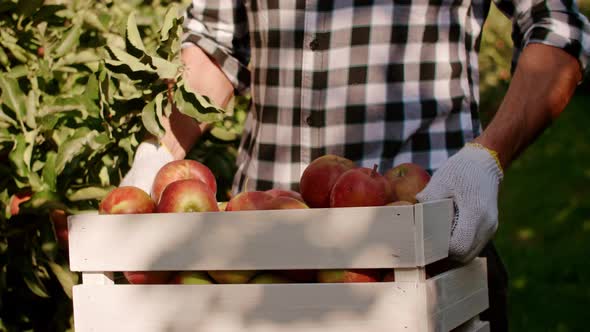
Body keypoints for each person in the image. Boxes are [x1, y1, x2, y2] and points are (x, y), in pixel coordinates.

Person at [121, 1, 589, 330]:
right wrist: (159, 154)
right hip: (259, 261)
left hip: (425, 252)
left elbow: (558, 25)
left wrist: (487, 158)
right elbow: (215, 45)